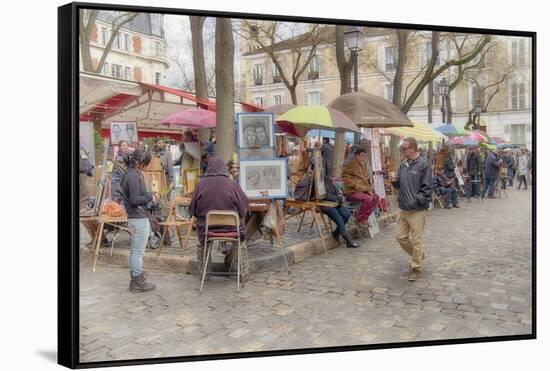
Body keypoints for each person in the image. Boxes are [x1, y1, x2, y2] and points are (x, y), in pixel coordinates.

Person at [188, 157, 250, 274]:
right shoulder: (231, 184)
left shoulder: (201, 184)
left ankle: (204, 272)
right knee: (241, 239)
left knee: (201, 242)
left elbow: (192, 210)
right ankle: (244, 273)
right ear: (223, 168)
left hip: (207, 229)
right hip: (232, 229)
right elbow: (243, 207)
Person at [390, 137, 432, 282]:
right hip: (403, 208)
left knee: (417, 239)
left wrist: (415, 201)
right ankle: (418, 255)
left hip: (416, 210)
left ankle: (416, 268)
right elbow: (400, 185)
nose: (402, 150)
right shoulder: (403, 164)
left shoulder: (423, 164)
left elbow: (427, 189)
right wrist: (395, 182)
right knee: (400, 237)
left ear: (413, 149)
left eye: (405, 148)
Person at [120, 149, 156, 293]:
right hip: (138, 216)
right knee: (137, 252)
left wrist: (147, 194)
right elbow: (135, 199)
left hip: (135, 216)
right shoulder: (133, 176)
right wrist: (149, 197)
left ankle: (136, 277)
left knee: (135, 251)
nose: (146, 167)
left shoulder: (129, 174)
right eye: (145, 164)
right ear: (139, 162)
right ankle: (137, 280)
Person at [341, 148, 379, 224]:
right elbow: (344, 176)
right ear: (357, 155)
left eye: (365, 156)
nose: (364, 158)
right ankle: (359, 219)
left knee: (376, 197)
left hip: (362, 190)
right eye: (362, 156)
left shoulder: (362, 165)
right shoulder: (351, 164)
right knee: (368, 199)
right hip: (351, 191)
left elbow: (364, 180)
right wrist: (355, 185)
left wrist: (369, 189)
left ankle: (364, 218)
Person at [320, 177, 359, 248]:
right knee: (339, 220)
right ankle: (349, 241)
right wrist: (337, 198)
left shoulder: (328, 179)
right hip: (325, 204)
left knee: (346, 214)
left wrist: (339, 196)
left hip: (335, 202)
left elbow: (335, 191)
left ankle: (336, 232)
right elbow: (324, 196)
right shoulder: (319, 179)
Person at [111, 140, 130, 205]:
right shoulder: (118, 156)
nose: (125, 147)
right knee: (117, 196)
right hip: (118, 178)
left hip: (126, 179)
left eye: (126, 145)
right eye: (123, 145)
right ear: (120, 147)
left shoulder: (129, 155)